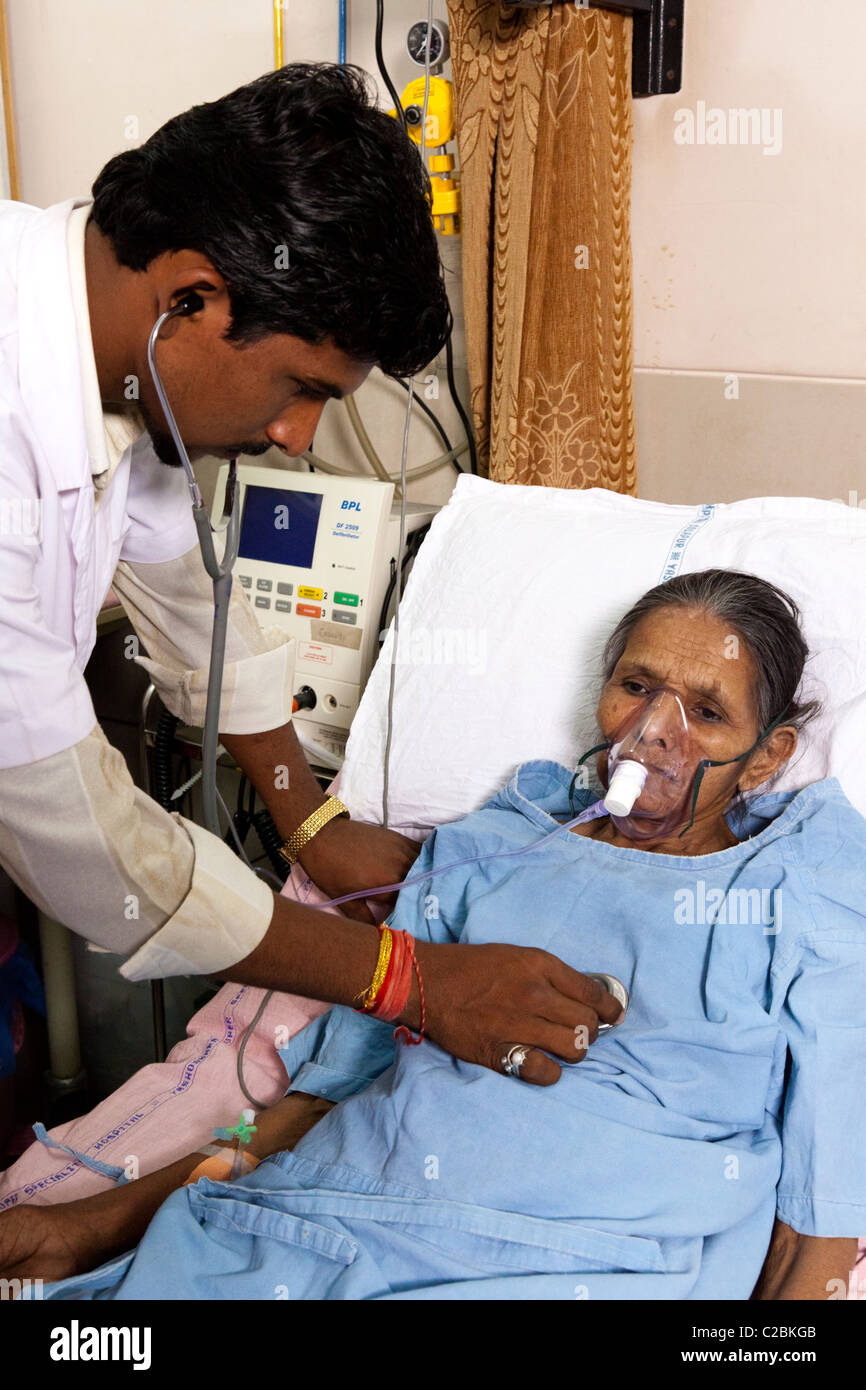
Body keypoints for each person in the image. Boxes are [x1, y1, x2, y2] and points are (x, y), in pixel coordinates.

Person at [3, 569, 863, 1300]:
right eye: (636, 687)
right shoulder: (490, 847)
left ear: (766, 757)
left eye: (706, 713)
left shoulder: (801, 888)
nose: (653, 734)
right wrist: (86, 1227)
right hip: (310, 1234)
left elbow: (816, 1237)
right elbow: (315, 1104)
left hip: (573, 1268)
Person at [0, 64, 617, 1079]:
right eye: (299, 386)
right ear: (191, 295)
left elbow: (197, 607)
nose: (294, 437)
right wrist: (412, 980)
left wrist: (310, 817)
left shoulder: (122, 359)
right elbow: (96, 849)